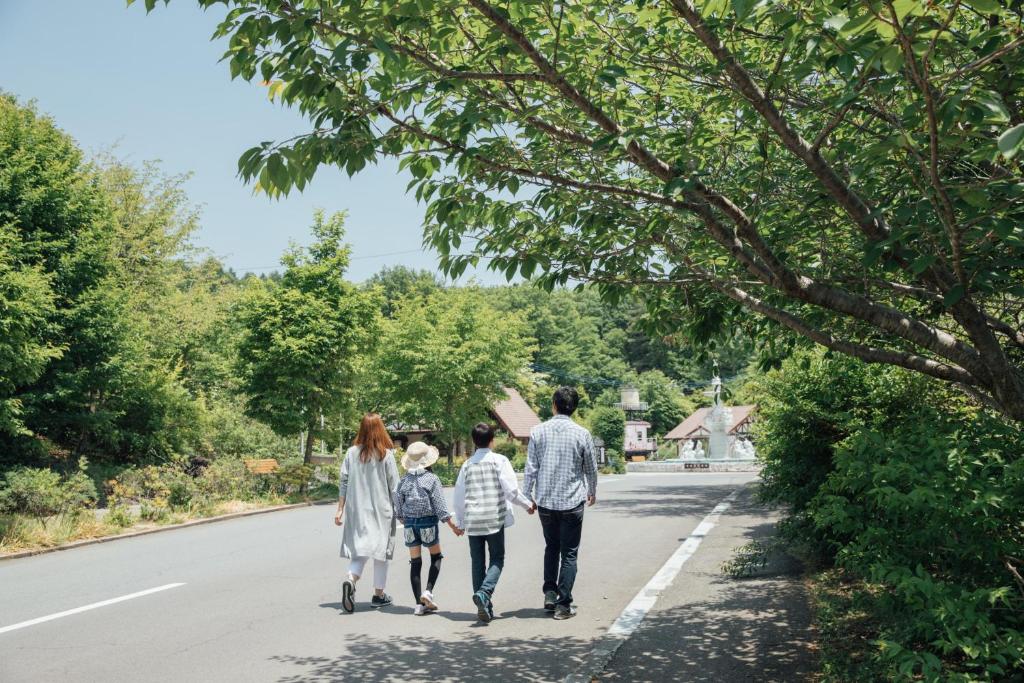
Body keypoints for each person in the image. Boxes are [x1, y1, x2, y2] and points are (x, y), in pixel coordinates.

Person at [523, 386, 598, 620]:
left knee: (551, 547)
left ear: (554, 404)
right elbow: (591, 468)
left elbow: (531, 467)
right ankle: (563, 605)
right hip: (572, 501)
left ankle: (549, 592)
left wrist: (527, 495)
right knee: (569, 553)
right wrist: (592, 490)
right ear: (574, 407)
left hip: (546, 501)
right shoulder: (582, 433)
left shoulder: (538, 431)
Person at [452, 422, 535, 623]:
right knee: (497, 558)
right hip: (493, 519)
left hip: (473, 521)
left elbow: (459, 495)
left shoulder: (467, 465)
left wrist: (460, 522)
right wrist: (527, 505)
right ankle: (484, 593)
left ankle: (484, 607)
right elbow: (511, 490)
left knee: (477, 563)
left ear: (473, 441)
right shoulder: (499, 461)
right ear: (492, 441)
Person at [335, 413, 400, 613]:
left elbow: (344, 482)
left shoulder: (351, 453)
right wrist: (401, 511)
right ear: (380, 429)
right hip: (382, 510)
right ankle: (378, 595)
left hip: (357, 510)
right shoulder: (386, 455)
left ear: (361, 429)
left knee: (361, 548)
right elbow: (395, 487)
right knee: (381, 553)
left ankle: (351, 580)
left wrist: (340, 509)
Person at [393, 441, 463, 615]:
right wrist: (452, 525)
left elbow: (397, 502)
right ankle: (428, 591)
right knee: (436, 557)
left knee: (415, 563)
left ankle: (419, 604)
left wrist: (403, 517)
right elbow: (440, 506)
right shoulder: (432, 479)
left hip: (409, 524)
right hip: (427, 522)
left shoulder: (404, 480)